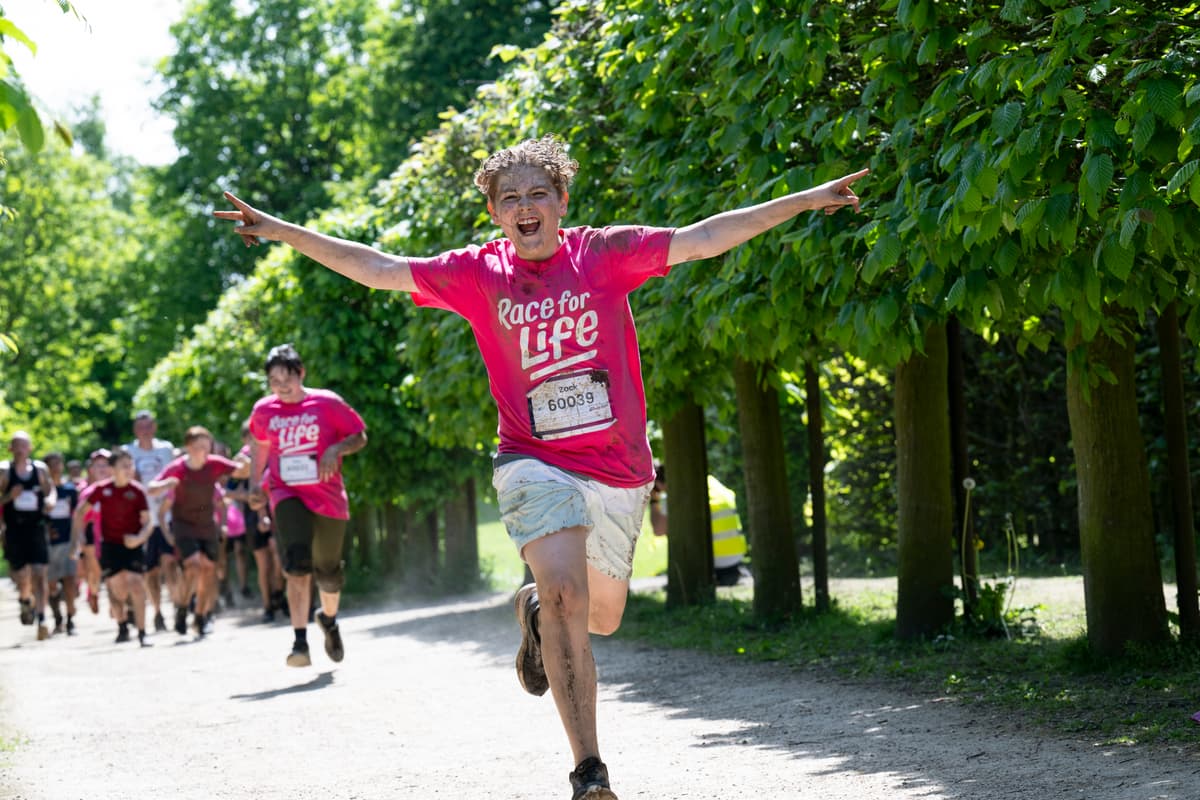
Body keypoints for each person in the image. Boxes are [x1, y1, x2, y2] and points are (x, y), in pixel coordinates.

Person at [215, 135, 865, 799]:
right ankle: (589, 770)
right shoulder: (477, 272)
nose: (525, 207)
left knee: (601, 617)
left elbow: (704, 236)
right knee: (566, 594)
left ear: (560, 201)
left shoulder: (605, 254)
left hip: (618, 465)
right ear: (495, 213)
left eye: (537, 194)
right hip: (532, 459)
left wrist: (805, 201)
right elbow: (378, 267)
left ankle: (532, 615)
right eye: (510, 199)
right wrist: (279, 230)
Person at [235, 345, 366, 666]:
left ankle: (329, 621)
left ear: (301, 373)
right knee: (296, 562)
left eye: (286, 379)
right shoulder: (264, 410)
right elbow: (261, 449)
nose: (280, 387)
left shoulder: (327, 403)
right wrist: (255, 486)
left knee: (329, 573)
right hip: (286, 491)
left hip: (328, 497)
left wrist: (336, 449)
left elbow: (359, 436)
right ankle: (299, 643)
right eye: (273, 381)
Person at [146, 426, 246, 636]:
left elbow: (241, 470)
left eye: (207, 444)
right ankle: (182, 608)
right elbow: (152, 487)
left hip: (207, 525)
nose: (204, 449)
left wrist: (247, 461)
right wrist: (166, 484)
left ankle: (200, 616)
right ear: (189, 447)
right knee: (193, 565)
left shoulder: (214, 464)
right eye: (199, 445)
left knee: (209, 569)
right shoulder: (177, 468)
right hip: (183, 525)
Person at [72, 448, 155, 647]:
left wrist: (139, 538)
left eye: (131, 465)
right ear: (112, 469)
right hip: (110, 545)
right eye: (124, 466)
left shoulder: (137, 491)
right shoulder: (102, 490)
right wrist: (77, 539)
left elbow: (148, 522)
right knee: (117, 588)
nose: (129, 469)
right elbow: (79, 513)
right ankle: (122, 625)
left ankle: (143, 632)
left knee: (136, 584)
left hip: (132, 544)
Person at [648, 464, 749, 586]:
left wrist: (654, 500)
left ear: (659, 484)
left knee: (674, 527)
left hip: (711, 563)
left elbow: (659, 530)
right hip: (735, 558)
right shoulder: (712, 482)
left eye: (658, 489)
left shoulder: (678, 493)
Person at [1, 431, 57, 641]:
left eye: (25, 445)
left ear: (30, 448)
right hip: (15, 529)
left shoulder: (40, 470)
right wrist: (8, 497)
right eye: (17, 445)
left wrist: (50, 501)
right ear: (11, 448)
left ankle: (42, 618)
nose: (21, 449)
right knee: (22, 574)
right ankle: (26, 599)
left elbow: (51, 490)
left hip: (36, 526)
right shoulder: (4, 471)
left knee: (40, 572)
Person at [125, 410, 178, 633]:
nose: (145, 431)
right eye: (140, 427)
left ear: (154, 427)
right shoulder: (128, 452)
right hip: (142, 519)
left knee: (170, 563)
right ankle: (157, 612)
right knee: (150, 572)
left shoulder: (166, 450)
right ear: (135, 430)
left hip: (167, 515)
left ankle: (178, 605)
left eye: (148, 427)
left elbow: (177, 476)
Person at [43, 452, 81, 634]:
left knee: (70, 581)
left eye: (59, 463)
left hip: (67, 540)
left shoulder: (70, 490)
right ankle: (57, 615)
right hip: (48, 543)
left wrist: (77, 540)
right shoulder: (41, 491)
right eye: (52, 464)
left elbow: (77, 517)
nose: (56, 467)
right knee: (51, 583)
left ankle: (70, 620)